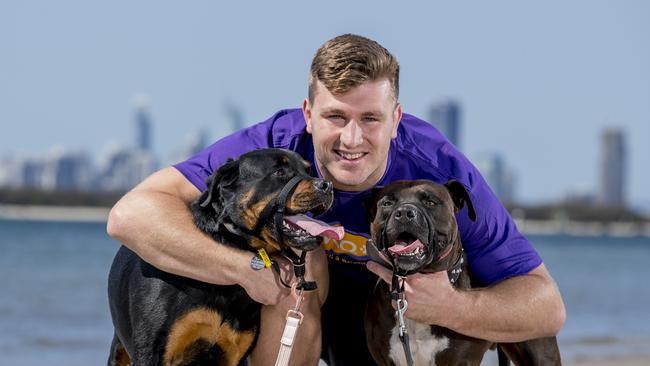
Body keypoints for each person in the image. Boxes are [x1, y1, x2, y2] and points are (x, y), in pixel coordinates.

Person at [107, 34, 565, 365]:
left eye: (370, 118)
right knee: (300, 263)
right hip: (299, 308)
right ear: (308, 114)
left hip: (385, 319)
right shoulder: (273, 149)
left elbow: (546, 306)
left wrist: (448, 306)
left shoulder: (438, 174)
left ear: (396, 118)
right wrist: (246, 271)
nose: (351, 138)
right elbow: (130, 216)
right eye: (334, 116)